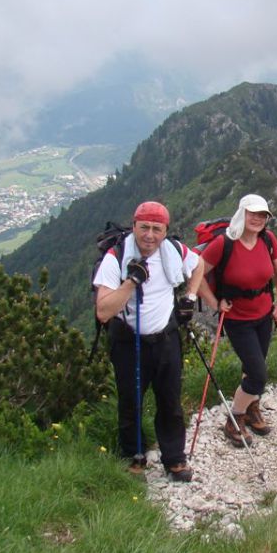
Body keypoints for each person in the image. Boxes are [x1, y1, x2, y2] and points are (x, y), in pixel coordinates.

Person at [93, 201, 204, 481]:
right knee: (131, 401)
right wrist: (131, 281)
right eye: (144, 228)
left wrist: (190, 297)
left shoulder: (174, 251)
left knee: (170, 401)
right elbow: (104, 311)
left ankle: (175, 459)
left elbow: (199, 264)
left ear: (166, 231)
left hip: (166, 338)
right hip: (129, 342)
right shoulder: (115, 257)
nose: (150, 235)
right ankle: (134, 455)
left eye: (157, 229)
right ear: (134, 226)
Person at [197, 194, 277, 447]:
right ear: (242, 213)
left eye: (263, 215)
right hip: (237, 318)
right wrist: (214, 303)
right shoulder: (223, 243)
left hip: (264, 314)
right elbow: (197, 273)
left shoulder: (268, 240)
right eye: (253, 213)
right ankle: (235, 418)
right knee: (259, 375)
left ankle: (252, 409)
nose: (258, 219)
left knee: (252, 367)